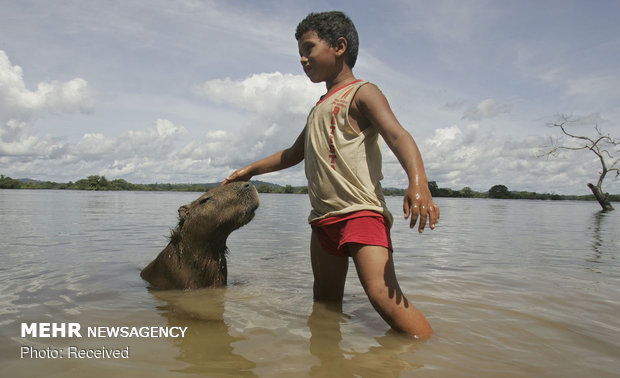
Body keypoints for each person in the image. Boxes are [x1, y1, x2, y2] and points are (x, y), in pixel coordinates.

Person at [222, 11, 438, 339]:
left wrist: (418, 182)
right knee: (324, 303)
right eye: (300, 53)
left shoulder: (362, 93)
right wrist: (250, 170)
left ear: (339, 46)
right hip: (323, 221)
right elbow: (293, 154)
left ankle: (433, 354)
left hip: (361, 213)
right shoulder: (317, 108)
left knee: (382, 295)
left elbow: (398, 135)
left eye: (309, 49)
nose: (303, 59)